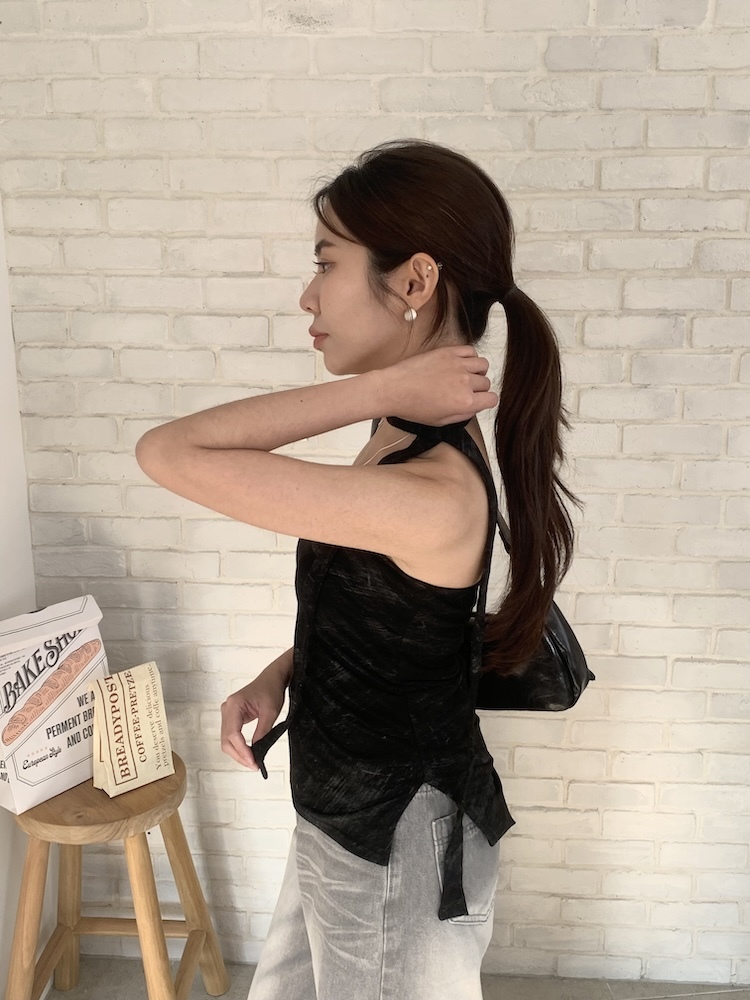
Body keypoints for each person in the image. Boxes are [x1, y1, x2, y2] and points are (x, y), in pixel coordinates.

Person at [135, 139, 576, 1000]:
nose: (308, 296)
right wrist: (282, 672)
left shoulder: (433, 484)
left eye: (325, 263)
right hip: (347, 818)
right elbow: (390, 611)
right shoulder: (400, 439)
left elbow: (167, 452)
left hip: (394, 847)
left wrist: (383, 387)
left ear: (415, 281)